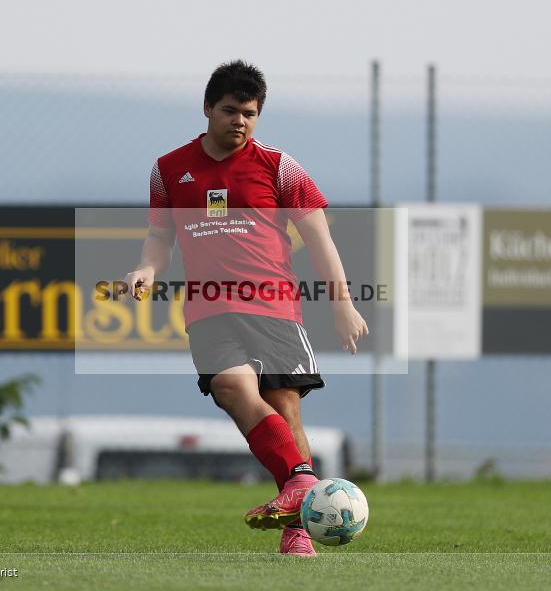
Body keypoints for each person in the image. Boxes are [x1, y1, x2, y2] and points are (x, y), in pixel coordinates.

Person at [125, 60, 368, 557]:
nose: (240, 121)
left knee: (284, 409)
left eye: (250, 114)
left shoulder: (279, 167)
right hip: (209, 308)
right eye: (231, 111)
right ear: (208, 108)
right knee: (229, 384)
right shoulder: (170, 169)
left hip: (274, 307)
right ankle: (303, 485)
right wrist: (146, 269)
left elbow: (320, 239)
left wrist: (342, 304)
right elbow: (158, 237)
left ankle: (298, 526)